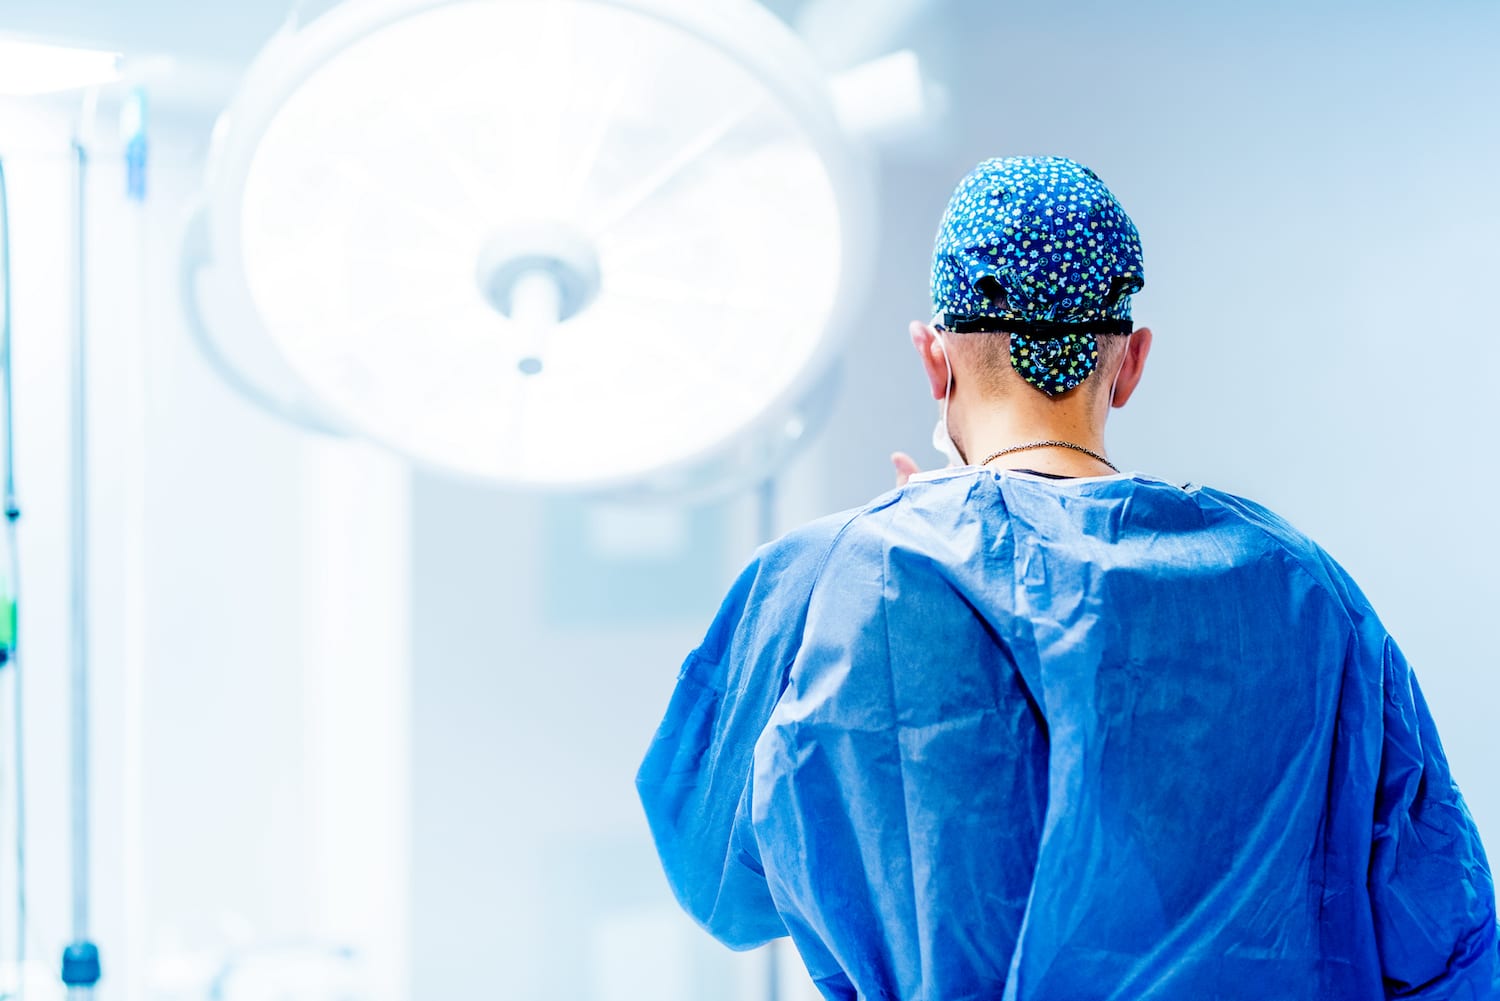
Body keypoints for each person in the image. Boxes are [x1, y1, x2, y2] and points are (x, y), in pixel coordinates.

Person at [635, 156, 1500, 1000]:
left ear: (934, 359)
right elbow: (1449, 944)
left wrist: (904, 559)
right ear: (1130, 363)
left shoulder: (832, 583)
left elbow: (721, 885)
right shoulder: (1305, 591)